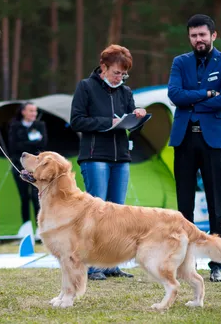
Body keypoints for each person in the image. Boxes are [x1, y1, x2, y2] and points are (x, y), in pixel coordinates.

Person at [167, 14, 221, 282]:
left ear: (213, 35)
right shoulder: (179, 62)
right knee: (184, 204)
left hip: (214, 140)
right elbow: (174, 95)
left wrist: (191, 101)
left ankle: (216, 263)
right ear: (189, 37)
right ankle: (184, 261)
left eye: (203, 35)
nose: (198, 39)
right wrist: (208, 94)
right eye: (194, 35)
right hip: (184, 139)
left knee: (215, 202)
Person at [70, 44, 147, 280]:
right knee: (96, 214)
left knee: (117, 215)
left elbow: (131, 124)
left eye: (124, 74)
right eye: (116, 72)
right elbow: (77, 121)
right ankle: (93, 266)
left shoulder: (126, 92)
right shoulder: (86, 87)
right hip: (95, 157)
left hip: (121, 158)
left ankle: (112, 265)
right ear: (103, 67)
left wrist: (138, 118)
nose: (120, 77)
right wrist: (108, 123)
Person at [8, 102, 47, 232]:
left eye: (35, 111)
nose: (33, 114)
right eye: (30, 111)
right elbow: (13, 147)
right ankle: (26, 227)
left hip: (37, 168)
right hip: (19, 167)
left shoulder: (40, 125)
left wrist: (25, 144)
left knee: (37, 197)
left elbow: (43, 144)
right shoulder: (15, 126)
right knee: (24, 197)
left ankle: (39, 228)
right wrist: (32, 143)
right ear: (23, 112)